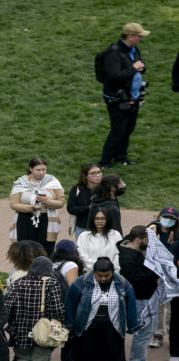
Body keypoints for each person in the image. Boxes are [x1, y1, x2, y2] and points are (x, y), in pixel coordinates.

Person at [66, 257, 138, 361]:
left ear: (113, 272)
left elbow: (131, 304)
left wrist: (132, 325)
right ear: (94, 272)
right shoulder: (81, 282)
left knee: (115, 355)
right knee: (86, 354)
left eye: (107, 275)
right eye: (100, 276)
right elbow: (70, 303)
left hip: (113, 324)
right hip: (87, 325)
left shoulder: (123, 283)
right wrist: (70, 324)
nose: (103, 279)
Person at [98, 23, 150, 167]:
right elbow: (114, 76)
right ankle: (105, 161)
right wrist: (134, 68)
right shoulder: (112, 54)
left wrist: (141, 67)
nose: (140, 39)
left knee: (128, 128)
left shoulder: (133, 49)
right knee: (118, 130)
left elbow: (141, 65)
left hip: (133, 96)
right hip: (117, 98)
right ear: (130, 37)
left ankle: (121, 157)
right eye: (139, 36)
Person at [5, 256, 65, 361]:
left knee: (23, 360)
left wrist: (11, 325)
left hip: (20, 332)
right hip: (44, 332)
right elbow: (57, 310)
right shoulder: (51, 283)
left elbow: (7, 307)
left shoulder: (18, 282)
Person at [117, 226, 161, 361]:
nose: (148, 243)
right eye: (147, 239)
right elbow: (137, 281)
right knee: (142, 334)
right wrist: (155, 270)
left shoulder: (133, 251)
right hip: (140, 299)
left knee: (146, 333)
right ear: (138, 239)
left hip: (146, 298)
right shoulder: (128, 258)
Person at [9, 157, 66, 253]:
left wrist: (47, 201)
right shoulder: (20, 183)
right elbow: (13, 204)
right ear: (31, 169)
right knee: (26, 250)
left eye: (43, 169)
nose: (41, 173)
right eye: (38, 170)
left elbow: (61, 202)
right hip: (25, 219)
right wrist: (29, 208)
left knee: (46, 250)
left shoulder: (53, 182)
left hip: (47, 220)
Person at [67, 164, 112, 237]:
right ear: (85, 176)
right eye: (93, 173)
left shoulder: (107, 188)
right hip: (83, 228)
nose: (97, 175)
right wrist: (88, 208)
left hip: (104, 228)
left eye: (99, 172)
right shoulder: (77, 189)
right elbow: (71, 209)